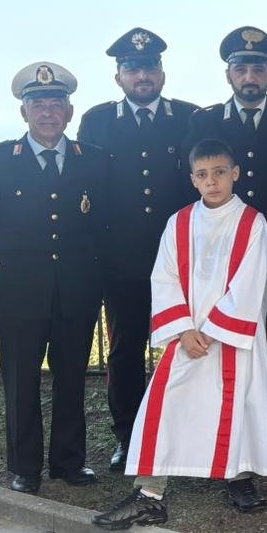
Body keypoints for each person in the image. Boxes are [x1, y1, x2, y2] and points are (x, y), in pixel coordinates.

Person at [92, 139, 267, 529]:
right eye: (203, 174)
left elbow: (249, 283)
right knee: (167, 404)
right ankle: (150, 494)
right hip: (188, 335)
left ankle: (239, 477)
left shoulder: (253, 222)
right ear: (193, 179)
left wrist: (211, 331)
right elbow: (164, 277)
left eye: (220, 173)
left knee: (239, 404)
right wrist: (182, 330)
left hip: (232, 337)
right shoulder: (179, 222)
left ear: (235, 174)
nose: (212, 181)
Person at [0, 62, 109, 493]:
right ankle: (24, 467)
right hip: (17, 291)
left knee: (71, 379)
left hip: (76, 290)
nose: (47, 112)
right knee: (20, 382)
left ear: (69, 112)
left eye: (55, 104)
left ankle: (69, 462)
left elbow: (103, 225)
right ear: (24, 112)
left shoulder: (94, 161)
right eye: (38, 105)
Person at [184, 27, 267, 453]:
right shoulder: (204, 123)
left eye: (258, 68)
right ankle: (228, 425)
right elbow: (193, 187)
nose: (249, 77)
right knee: (228, 340)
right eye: (241, 69)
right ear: (229, 75)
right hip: (226, 256)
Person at [78, 28, 198, 471]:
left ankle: (185, 433)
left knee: (187, 345)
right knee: (125, 351)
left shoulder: (188, 117)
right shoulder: (97, 121)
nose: (141, 75)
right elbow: (87, 186)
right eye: (132, 68)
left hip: (180, 259)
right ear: (119, 77)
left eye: (149, 67)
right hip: (122, 262)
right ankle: (128, 436)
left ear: (162, 73)